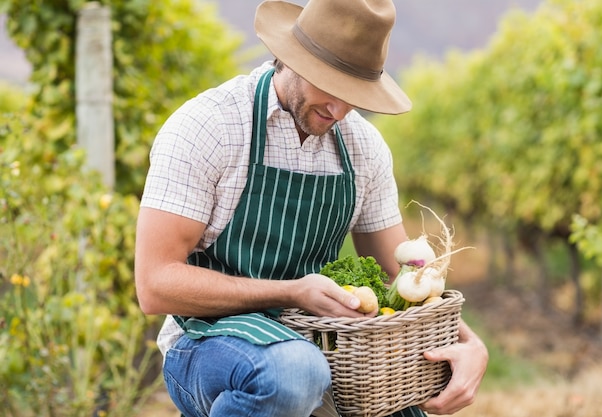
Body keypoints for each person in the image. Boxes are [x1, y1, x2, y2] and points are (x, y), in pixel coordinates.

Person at [134, 0, 488, 416]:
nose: (339, 110)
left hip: (321, 341)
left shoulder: (363, 148)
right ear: (290, 58)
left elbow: (403, 275)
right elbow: (155, 284)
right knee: (295, 372)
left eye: (354, 95)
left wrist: (468, 342)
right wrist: (292, 292)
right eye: (330, 85)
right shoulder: (210, 127)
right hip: (207, 342)